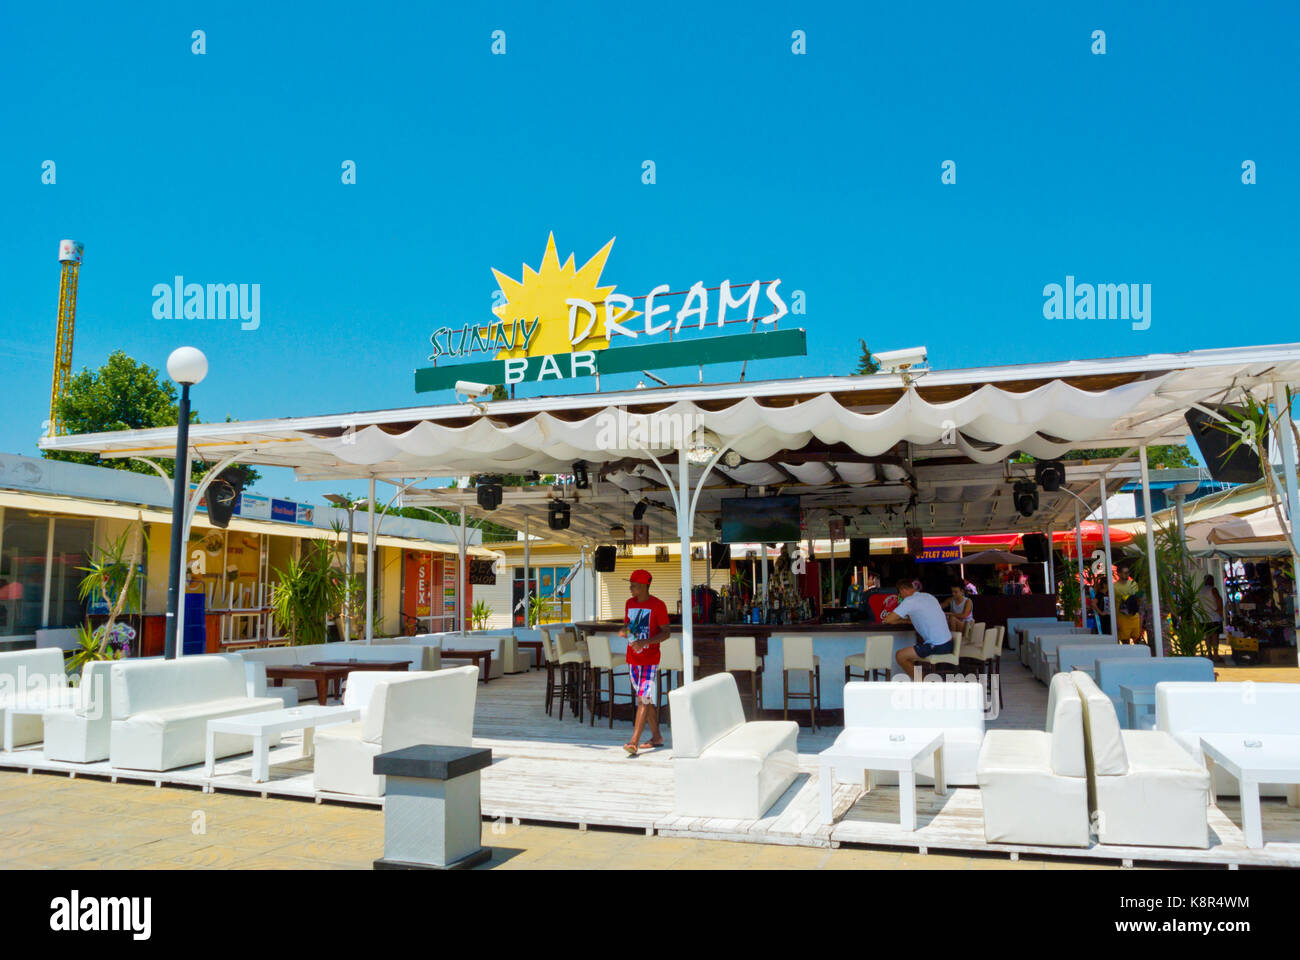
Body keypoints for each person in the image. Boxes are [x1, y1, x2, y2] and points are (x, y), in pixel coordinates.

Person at [619, 569, 671, 756]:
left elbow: (666, 632)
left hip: (650, 660)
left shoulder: (658, 605)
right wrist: (625, 631)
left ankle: (634, 742)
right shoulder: (629, 603)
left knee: (643, 698)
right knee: (645, 699)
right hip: (633, 659)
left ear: (643, 586)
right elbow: (627, 624)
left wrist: (645, 642)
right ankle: (657, 737)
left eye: (633, 585)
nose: (630, 588)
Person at [884, 578, 955, 677]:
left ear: (903, 590)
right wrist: (906, 620)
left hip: (937, 646)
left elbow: (888, 620)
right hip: (949, 643)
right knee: (912, 656)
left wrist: (900, 620)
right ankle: (922, 680)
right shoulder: (928, 596)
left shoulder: (909, 601)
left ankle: (921, 684)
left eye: (900, 593)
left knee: (900, 656)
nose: (900, 596)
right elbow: (924, 616)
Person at [1113, 564, 1143, 644]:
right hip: (1122, 617)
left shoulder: (1133, 584)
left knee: (1138, 640)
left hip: (1134, 616)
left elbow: (1139, 599)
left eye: (1128, 572)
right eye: (1125, 573)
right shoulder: (1114, 587)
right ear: (1119, 574)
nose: (1127, 574)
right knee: (1125, 642)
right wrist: (1115, 621)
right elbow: (1112, 604)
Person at [1198, 573, 1225, 661]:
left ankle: (1209, 654)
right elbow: (1219, 600)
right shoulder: (1213, 590)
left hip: (1203, 617)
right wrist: (1220, 610)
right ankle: (1216, 655)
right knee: (1215, 636)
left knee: (1207, 636)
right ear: (1210, 581)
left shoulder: (1200, 590)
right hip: (1214, 617)